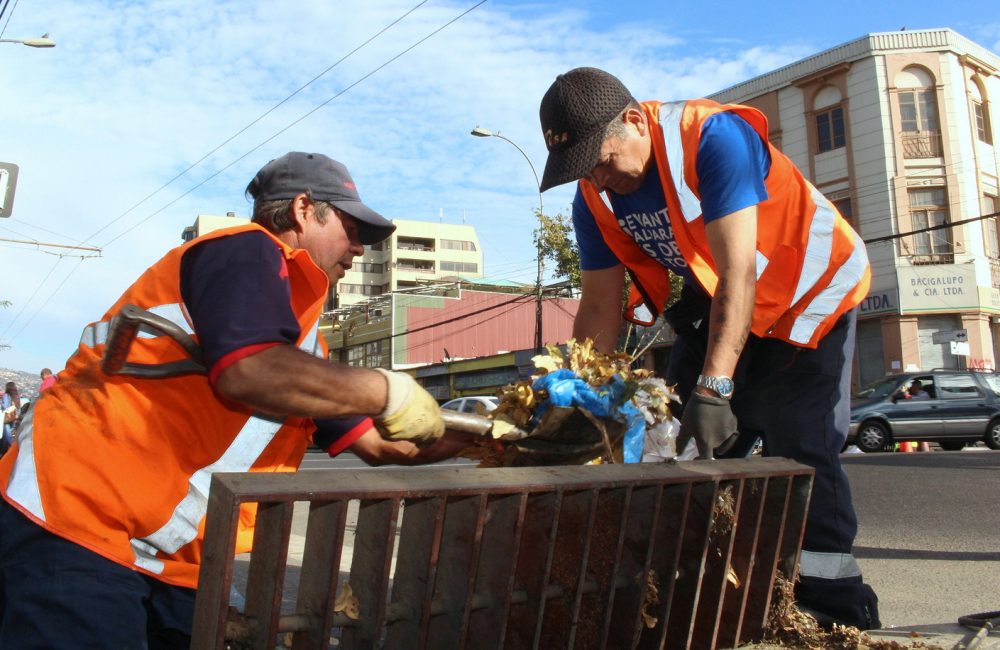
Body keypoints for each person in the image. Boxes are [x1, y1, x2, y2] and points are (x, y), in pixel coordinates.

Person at [0, 152, 468, 648]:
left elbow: (382, 446)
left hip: (167, 557)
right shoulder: (245, 251)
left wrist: (496, 437)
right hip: (77, 515)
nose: (358, 248)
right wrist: (385, 388)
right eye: (351, 227)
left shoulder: (306, 351)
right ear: (304, 210)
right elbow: (247, 370)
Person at [536, 68, 879, 629]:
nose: (596, 176)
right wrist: (581, 392)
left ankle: (834, 602)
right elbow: (599, 306)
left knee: (797, 442)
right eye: (582, 169)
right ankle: (695, 590)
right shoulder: (593, 196)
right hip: (721, 300)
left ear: (631, 120)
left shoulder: (711, 138)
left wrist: (717, 387)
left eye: (601, 159)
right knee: (675, 439)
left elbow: (739, 272)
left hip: (808, 292)